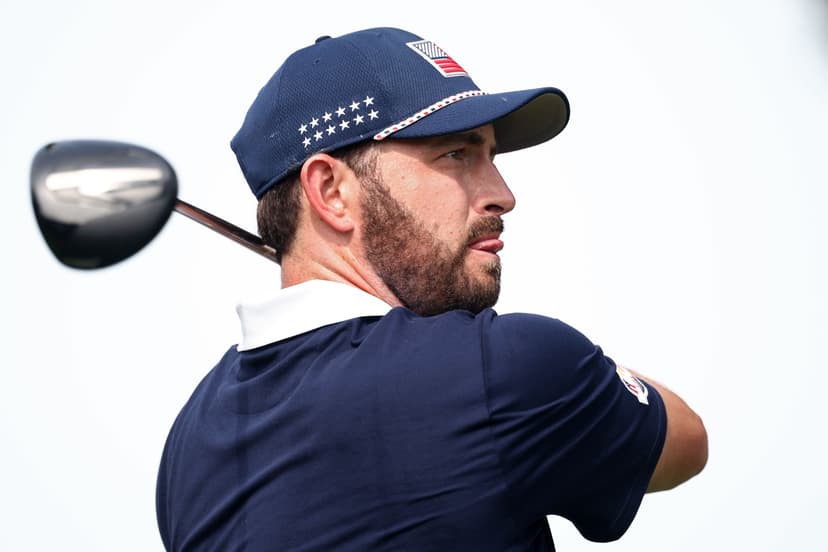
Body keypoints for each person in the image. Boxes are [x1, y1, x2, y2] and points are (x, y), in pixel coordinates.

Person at [155, 27, 707, 551]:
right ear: (331, 193)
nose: (502, 195)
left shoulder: (188, 445)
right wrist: (562, 366)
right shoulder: (510, 369)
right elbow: (686, 438)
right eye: (456, 154)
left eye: (490, 157)